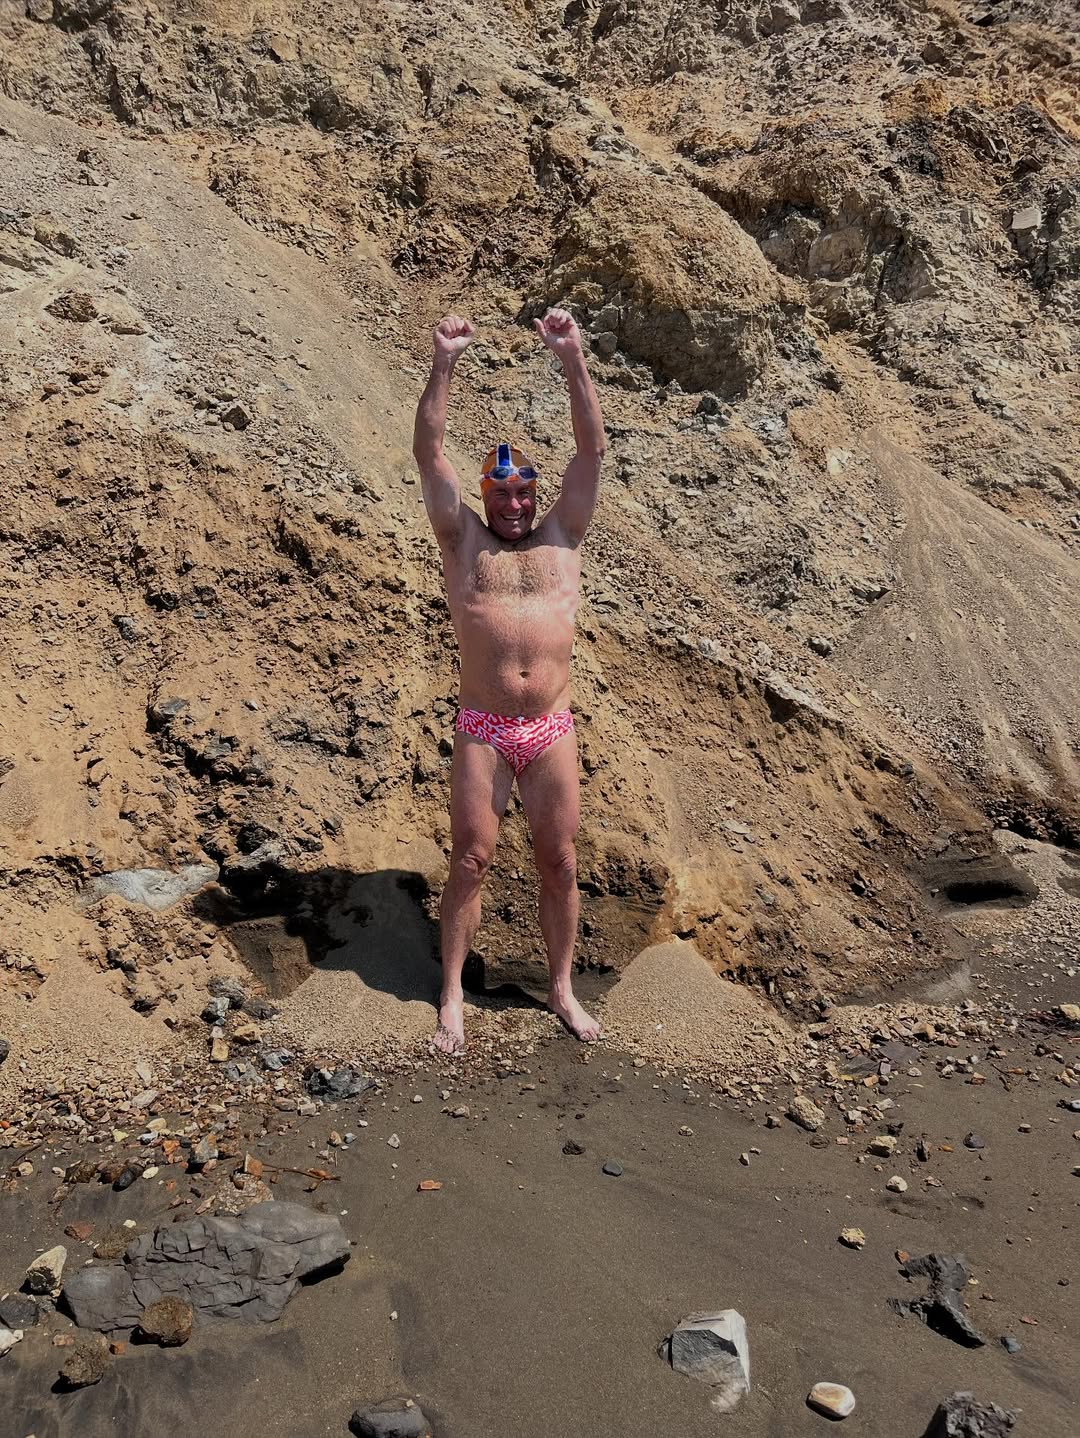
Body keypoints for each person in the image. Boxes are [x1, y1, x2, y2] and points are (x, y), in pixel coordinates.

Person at [412, 307, 606, 1054]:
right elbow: (430, 454)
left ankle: (560, 989)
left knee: (560, 861)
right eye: (504, 496)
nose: (517, 506)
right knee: (470, 859)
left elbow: (591, 450)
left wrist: (572, 359)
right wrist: (444, 363)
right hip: (485, 728)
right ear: (487, 498)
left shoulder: (564, 536)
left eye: (525, 493)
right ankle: (453, 994)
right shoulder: (461, 542)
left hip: (551, 726)